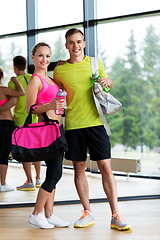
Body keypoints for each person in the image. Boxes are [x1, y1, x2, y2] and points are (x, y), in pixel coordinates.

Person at [53, 28, 132, 231]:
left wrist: (110, 82)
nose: (76, 46)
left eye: (79, 42)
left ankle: (115, 215)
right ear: (66, 45)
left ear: (84, 43)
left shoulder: (96, 63)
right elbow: (57, 94)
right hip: (73, 126)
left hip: (96, 123)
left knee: (106, 166)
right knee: (79, 169)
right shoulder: (60, 71)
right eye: (71, 42)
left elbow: (106, 86)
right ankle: (87, 212)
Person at [26, 42, 69, 229]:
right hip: (47, 130)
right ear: (33, 57)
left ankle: (49, 215)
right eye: (41, 55)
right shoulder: (35, 80)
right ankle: (36, 213)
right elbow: (31, 108)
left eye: (48, 56)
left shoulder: (51, 80)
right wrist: (50, 106)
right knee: (56, 173)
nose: (45, 59)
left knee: (54, 172)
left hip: (58, 129)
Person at [8, 56, 41, 191]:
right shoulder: (33, 79)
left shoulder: (13, 83)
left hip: (21, 121)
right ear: (26, 66)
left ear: (14, 67)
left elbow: (13, 102)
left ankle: (30, 181)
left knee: (24, 152)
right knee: (37, 151)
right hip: (34, 119)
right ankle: (39, 178)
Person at [0, 67, 25, 192]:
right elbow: (22, 93)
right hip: (6, 123)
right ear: (2, 76)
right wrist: (15, 81)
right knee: (3, 154)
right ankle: (2, 183)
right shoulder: (4, 90)